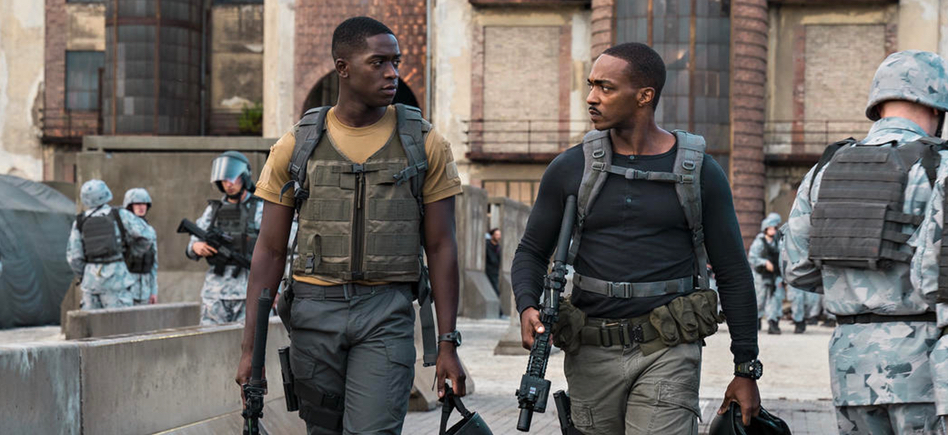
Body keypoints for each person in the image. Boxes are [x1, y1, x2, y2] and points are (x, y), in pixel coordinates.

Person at [512, 42, 761, 434]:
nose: (592, 98)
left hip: (668, 351)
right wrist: (527, 305)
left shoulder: (699, 172)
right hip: (590, 353)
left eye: (606, 88)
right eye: (591, 85)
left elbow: (733, 272)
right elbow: (530, 251)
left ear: (645, 96)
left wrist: (745, 367)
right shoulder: (571, 168)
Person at [234, 17, 467, 435]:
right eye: (378, 62)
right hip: (313, 313)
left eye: (395, 62)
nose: (392, 73)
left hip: (386, 313)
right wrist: (250, 351)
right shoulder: (297, 145)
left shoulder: (424, 142)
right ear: (343, 67)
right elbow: (269, 251)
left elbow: (442, 246)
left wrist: (448, 342)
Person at [782, 50, 948, 434]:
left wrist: (852, 284)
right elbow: (934, 279)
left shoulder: (825, 168)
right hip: (922, 368)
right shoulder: (940, 167)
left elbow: (797, 268)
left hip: (850, 369)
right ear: (936, 106)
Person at [186, 151, 263, 325]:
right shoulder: (214, 210)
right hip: (214, 294)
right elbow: (193, 242)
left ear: (244, 178)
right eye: (224, 180)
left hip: (249, 292)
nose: (229, 184)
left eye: (233, 178)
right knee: (210, 339)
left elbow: (277, 250)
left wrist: (275, 290)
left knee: (248, 341)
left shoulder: (259, 209)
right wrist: (196, 246)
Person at [67, 179, 156, 309]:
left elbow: (74, 258)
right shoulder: (120, 215)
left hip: (90, 284)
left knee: (91, 321)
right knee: (120, 321)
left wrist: (85, 274)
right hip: (117, 280)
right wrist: (130, 254)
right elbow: (148, 236)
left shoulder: (80, 221)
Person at [748, 213, 783, 334]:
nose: (773, 230)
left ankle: (772, 322)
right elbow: (752, 258)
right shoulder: (759, 241)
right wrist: (764, 262)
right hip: (761, 275)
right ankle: (756, 321)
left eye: (775, 228)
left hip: (774, 275)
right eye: (771, 228)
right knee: (759, 299)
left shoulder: (778, 242)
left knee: (774, 298)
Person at [123, 188, 158, 305]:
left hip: (145, 290)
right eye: (137, 204)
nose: (141, 207)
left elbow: (154, 263)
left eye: (144, 204)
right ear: (130, 206)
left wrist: (154, 291)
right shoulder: (123, 228)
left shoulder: (150, 230)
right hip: (125, 288)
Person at [485, 228, 501, 295]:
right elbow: (492, 259)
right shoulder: (487, 245)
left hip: (495, 272)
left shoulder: (498, 247)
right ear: (492, 235)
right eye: (497, 235)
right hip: (488, 271)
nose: (498, 236)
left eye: (499, 235)